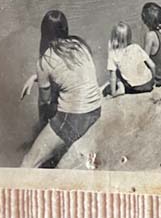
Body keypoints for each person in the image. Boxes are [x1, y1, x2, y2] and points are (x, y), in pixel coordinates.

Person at [20, 10, 102, 168]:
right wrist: (34, 77)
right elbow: (69, 72)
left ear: (44, 32)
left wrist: (43, 126)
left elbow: (45, 101)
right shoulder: (79, 44)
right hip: (95, 109)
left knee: (28, 163)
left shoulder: (45, 61)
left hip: (74, 117)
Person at [105, 22, 155, 96]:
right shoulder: (136, 47)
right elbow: (152, 65)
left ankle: (121, 87)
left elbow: (112, 77)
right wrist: (153, 80)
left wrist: (113, 93)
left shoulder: (114, 54)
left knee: (116, 71)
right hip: (148, 84)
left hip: (135, 87)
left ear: (114, 38)